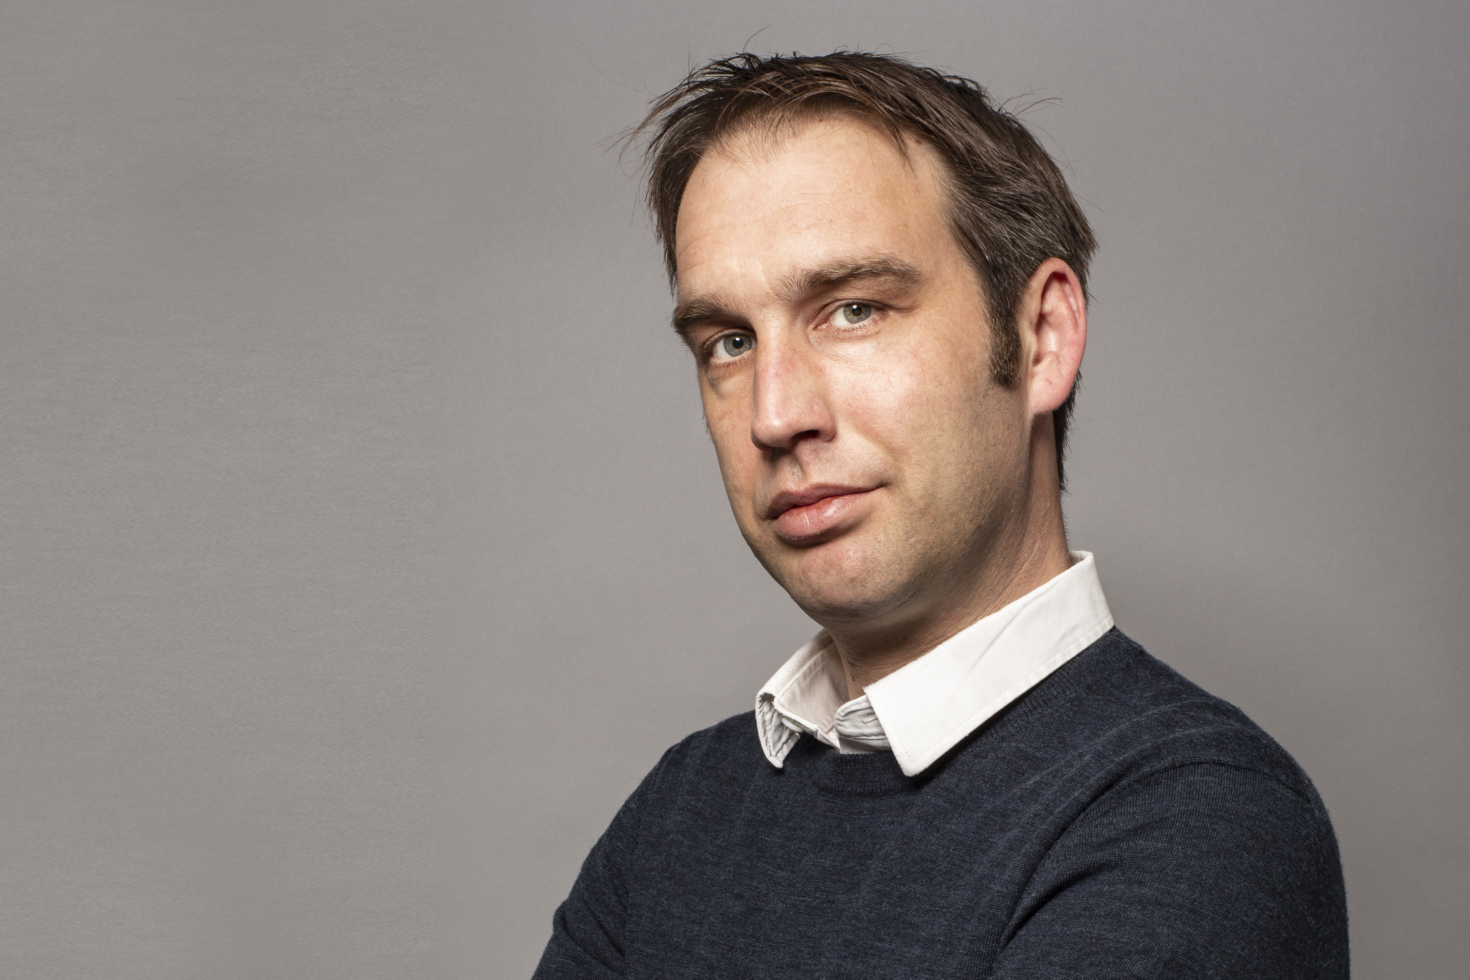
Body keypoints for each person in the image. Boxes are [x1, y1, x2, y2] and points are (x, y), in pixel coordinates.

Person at [531, 52, 1346, 978]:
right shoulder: (679, 813)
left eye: (853, 310)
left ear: (1040, 340)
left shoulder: (1201, 817)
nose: (774, 415)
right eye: (729, 341)